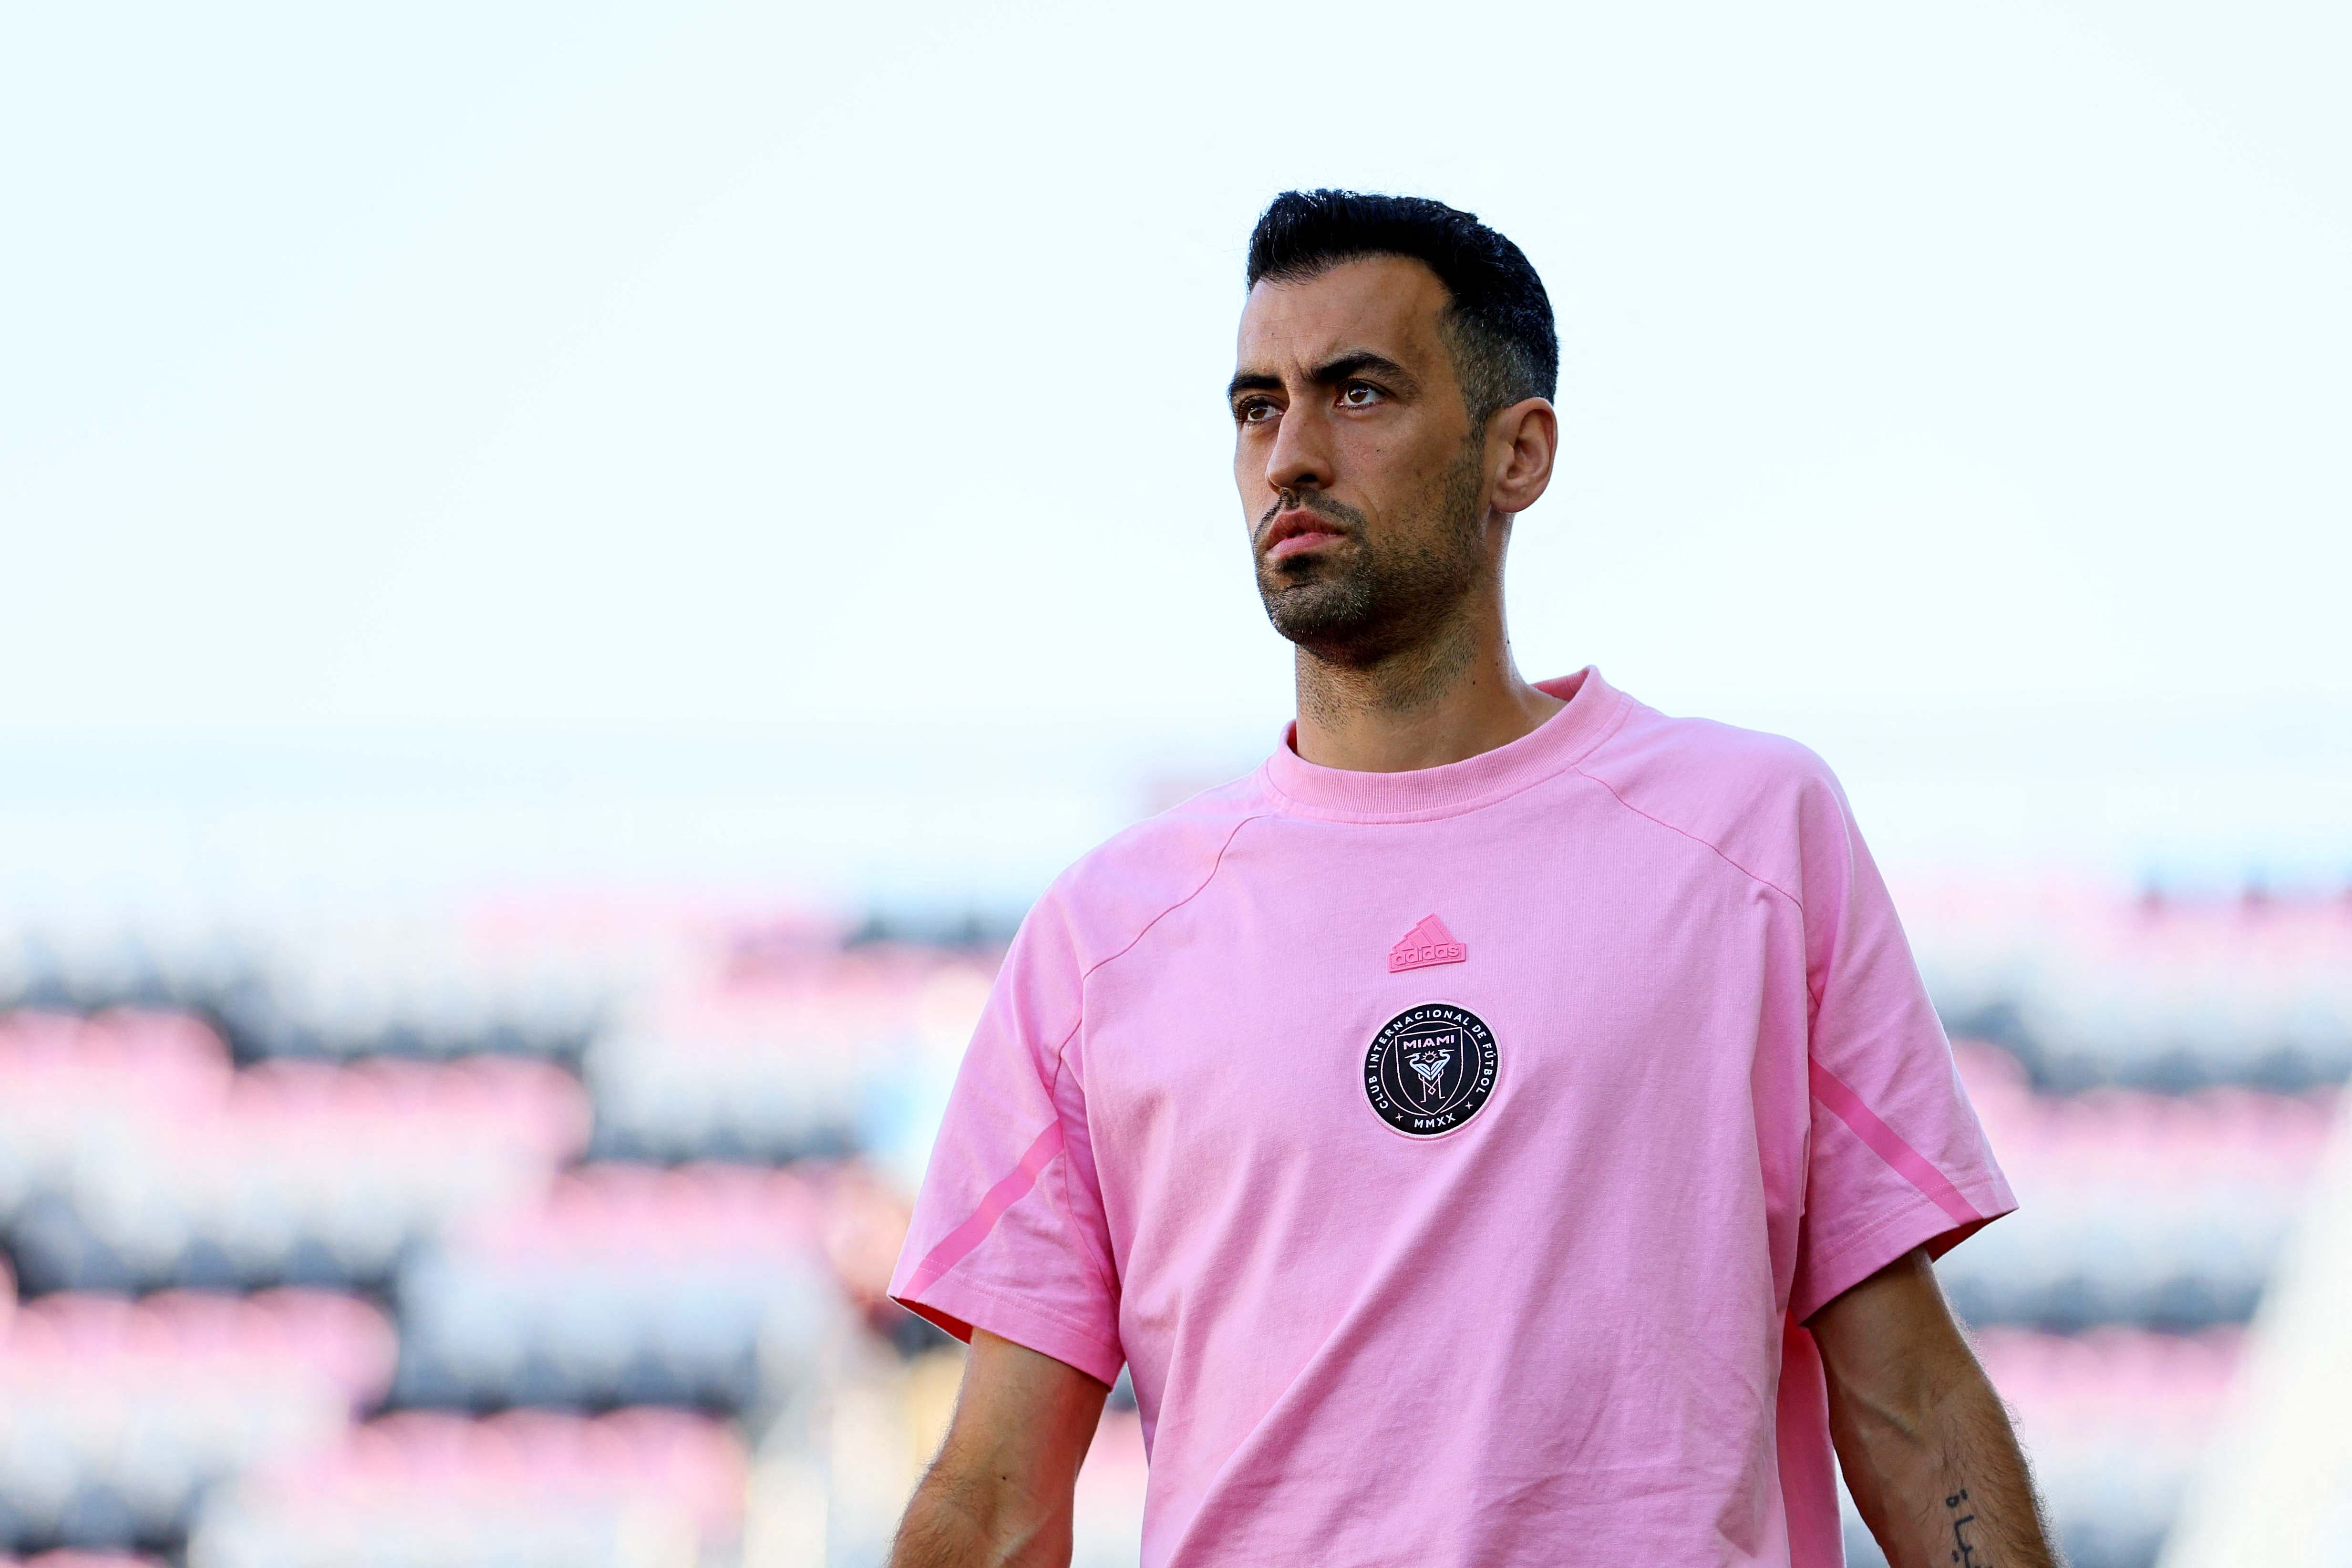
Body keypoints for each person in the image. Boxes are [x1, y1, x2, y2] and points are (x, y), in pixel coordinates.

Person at [885, 189, 2058, 1568]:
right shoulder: (1108, 939)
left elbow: (1909, 1402)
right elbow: (994, 1496)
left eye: (1357, 393)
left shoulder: (1751, 839)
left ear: (1519, 453)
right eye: (1256, 408)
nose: (1291, 458)